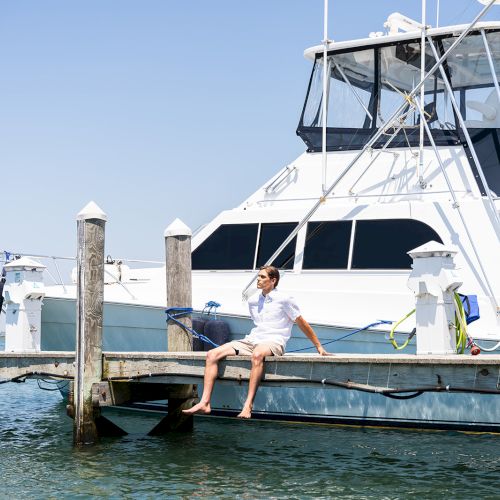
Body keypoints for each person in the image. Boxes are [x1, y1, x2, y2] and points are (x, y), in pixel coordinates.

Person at [183, 265, 329, 419]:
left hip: (275, 341)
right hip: (253, 339)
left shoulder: (285, 299)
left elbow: (301, 323)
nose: (258, 280)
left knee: (257, 354)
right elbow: (258, 324)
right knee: (212, 354)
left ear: (273, 280)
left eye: (262, 277)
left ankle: (248, 406)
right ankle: (205, 403)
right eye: (258, 276)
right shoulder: (253, 301)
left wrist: (318, 346)